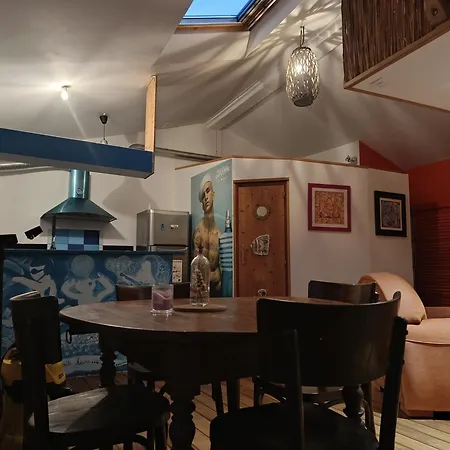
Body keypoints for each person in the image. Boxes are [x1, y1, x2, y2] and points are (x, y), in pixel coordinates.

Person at [193, 174, 222, 296]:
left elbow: (222, 271)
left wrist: (217, 276)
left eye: (208, 191)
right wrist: (214, 276)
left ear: (213, 194)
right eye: (203, 195)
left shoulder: (219, 234)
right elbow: (197, 270)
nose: (206, 197)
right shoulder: (199, 231)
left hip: (217, 294)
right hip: (201, 292)